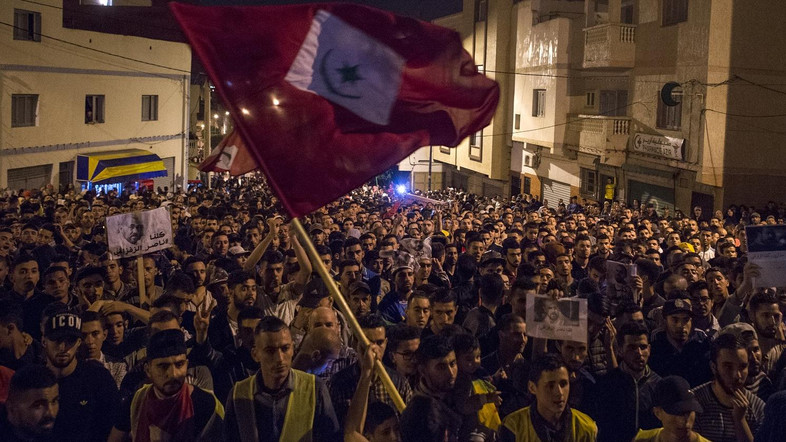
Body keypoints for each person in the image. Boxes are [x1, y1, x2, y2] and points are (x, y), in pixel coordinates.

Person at [224, 316, 340, 441]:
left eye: (285, 349)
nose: (280, 358)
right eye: (270, 351)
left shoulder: (314, 389)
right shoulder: (239, 394)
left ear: (293, 349)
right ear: (255, 354)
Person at [108, 329, 224, 441]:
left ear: (187, 365)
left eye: (179, 364)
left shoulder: (205, 404)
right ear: (148, 370)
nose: (173, 374)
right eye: (163, 366)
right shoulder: (136, 402)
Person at [43, 307, 120, 441]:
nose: (63, 347)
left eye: (70, 341)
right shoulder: (34, 381)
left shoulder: (98, 378)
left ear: (78, 343)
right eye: (57, 340)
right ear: (44, 341)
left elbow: (114, 427)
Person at [500, 354, 597, 442]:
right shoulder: (514, 426)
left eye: (563, 384)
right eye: (550, 386)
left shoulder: (586, 428)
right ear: (532, 388)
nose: (559, 392)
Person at [591, 321, 661, 442]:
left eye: (643, 347)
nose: (639, 353)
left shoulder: (659, 385)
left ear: (649, 349)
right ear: (620, 350)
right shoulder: (606, 384)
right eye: (632, 347)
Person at [691, 333, 765, 442]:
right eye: (728, 367)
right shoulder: (695, 402)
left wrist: (740, 420)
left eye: (742, 367)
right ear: (714, 367)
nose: (738, 375)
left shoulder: (757, 407)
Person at [633, 376, 709, 442]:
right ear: (658, 413)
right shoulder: (641, 439)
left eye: (688, 412)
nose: (685, 420)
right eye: (677, 412)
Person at [0, 364, 59, 442]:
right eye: (38, 405)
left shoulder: (66, 428)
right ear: (11, 410)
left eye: (54, 401)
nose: (50, 412)